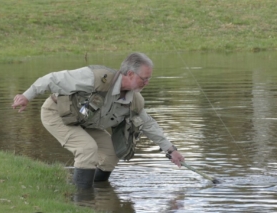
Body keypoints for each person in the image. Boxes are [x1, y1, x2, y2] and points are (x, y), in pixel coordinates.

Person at [12, 52, 185, 189]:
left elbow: (148, 124)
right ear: (131, 74)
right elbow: (52, 79)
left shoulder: (135, 100)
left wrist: (171, 150)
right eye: (144, 78)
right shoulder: (95, 78)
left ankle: (98, 192)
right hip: (56, 114)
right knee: (87, 148)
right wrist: (26, 96)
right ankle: (82, 199)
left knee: (111, 152)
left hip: (84, 122)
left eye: (149, 79)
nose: (147, 83)